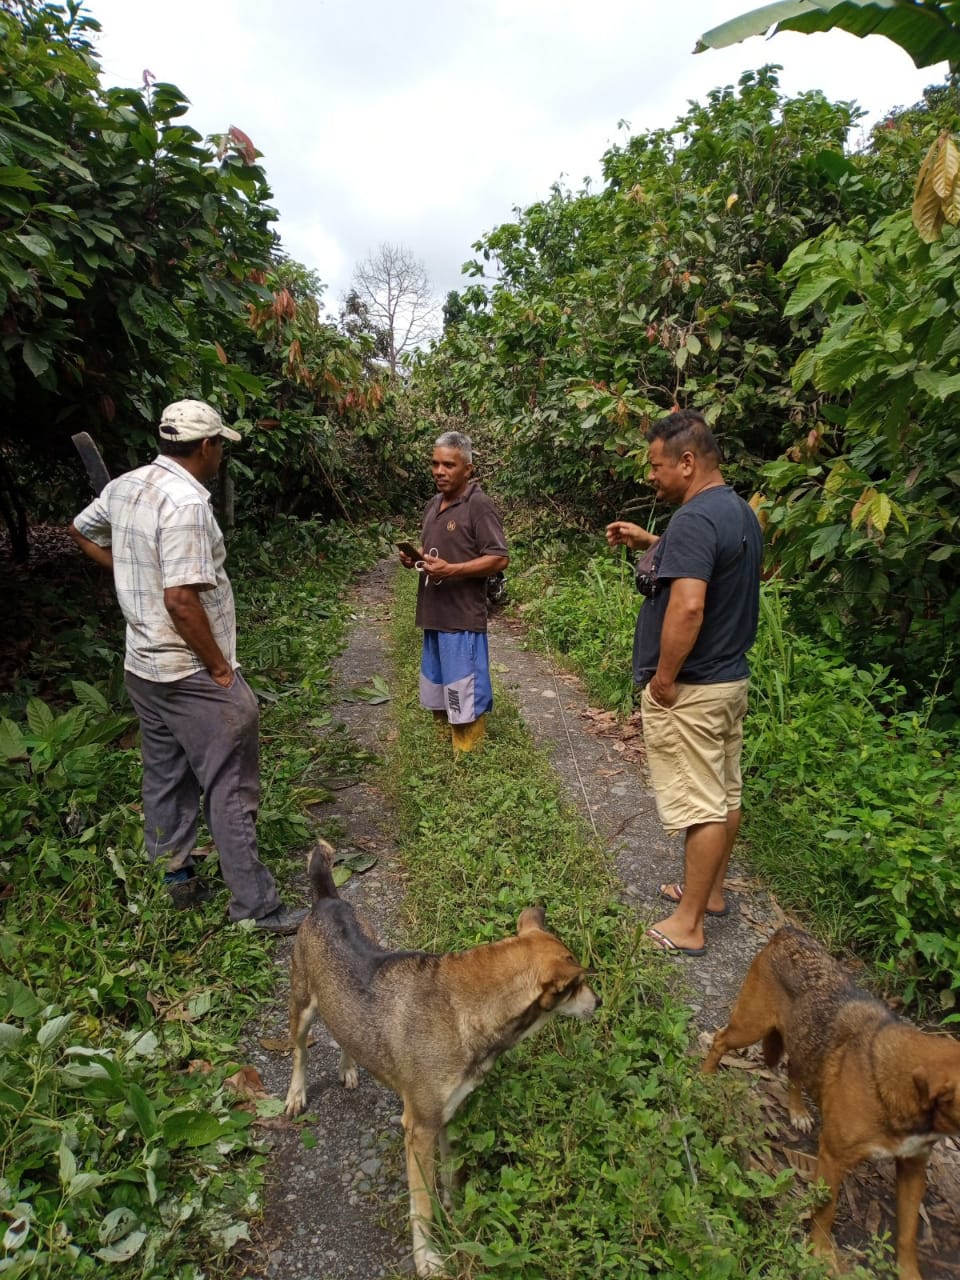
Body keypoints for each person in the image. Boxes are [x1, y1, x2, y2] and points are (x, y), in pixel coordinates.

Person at [69, 399, 307, 933]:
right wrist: (220, 670)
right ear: (206, 446)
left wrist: (129, 569)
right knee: (231, 783)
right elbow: (181, 600)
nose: (221, 455)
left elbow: (80, 530)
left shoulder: (126, 485)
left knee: (165, 775)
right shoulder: (186, 504)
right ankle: (256, 907)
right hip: (188, 670)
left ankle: (174, 877)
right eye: (220, 445)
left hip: (142, 667)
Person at [606, 408, 763, 956]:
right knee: (724, 795)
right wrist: (650, 541)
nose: (651, 475)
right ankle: (711, 894)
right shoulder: (738, 511)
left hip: (693, 686)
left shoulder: (694, 518)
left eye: (656, 465)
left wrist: (664, 680)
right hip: (729, 681)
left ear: (688, 462)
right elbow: (712, 567)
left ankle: (688, 923)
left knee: (701, 806)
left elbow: (690, 604)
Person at [399, 431, 508, 752]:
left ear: (468, 469)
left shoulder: (478, 505)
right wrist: (415, 557)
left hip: (461, 618)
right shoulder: (434, 504)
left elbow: (499, 558)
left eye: (449, 465)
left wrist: (453, 570)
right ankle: (441, 756)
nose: (439, 471)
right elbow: (439, 548)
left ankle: (469, 759)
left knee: (464, 692)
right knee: (437, 691)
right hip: (433, 615)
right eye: (435, 464)